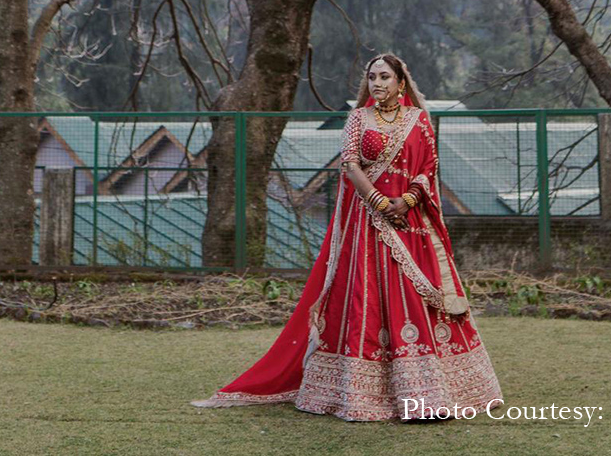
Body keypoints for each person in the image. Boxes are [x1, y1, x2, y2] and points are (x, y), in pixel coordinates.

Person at [194, 52, 503, 423]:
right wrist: (376, 200)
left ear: (401, 82)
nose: (378, 83)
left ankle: (427, 395)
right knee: (366, 297)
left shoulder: (419, 120)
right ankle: (360, 392)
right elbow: (350, 163)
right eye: (372, 77)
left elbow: (428, 167)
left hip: (410, 224)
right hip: (367, 225)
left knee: (413, 296)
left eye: (385, 77)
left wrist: (406, 200)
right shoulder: (358, 118)